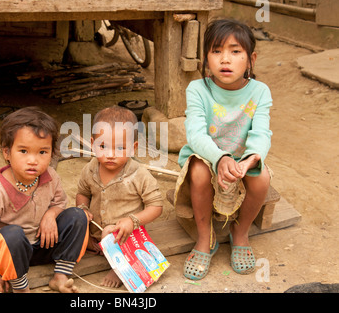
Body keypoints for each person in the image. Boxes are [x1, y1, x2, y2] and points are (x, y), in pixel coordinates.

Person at [175, 18, 273, 280]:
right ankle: (205, 238)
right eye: (216, 51)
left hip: (242, 158)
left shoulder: (260, 92)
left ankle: (240, 234)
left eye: (235, 51)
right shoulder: (198, 89)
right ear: (206, 59)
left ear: (251, 59)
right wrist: (219, 158)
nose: (225, 59)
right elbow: (195, 133)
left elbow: (262, 132)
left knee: (262, 177)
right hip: (207, 156)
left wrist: (251, 159)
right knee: (197, 171)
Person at [0, 106, 88, 293]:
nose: (33, 160)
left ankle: (61, 276)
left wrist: (50, 214)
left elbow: (59, 203)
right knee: (12, 235)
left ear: (52, 153)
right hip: (12, 255)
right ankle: (21, 287)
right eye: (23, 151)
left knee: (78, 216)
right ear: (7, 153)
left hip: (45, 245)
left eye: (42, 152)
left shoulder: (51, 176)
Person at [76, 105, 163, 288]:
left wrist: (133, 220)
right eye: (102, 146)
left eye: (120, 148)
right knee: (74, 218)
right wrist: (83, 209)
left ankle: (118, 267)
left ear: (133, 148)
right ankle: (93, 244)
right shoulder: (90, 168)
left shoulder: (139, 175)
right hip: (96, 232)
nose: (110, 154)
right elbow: (82, 193)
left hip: (125, 235)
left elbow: (156, 206)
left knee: (111, 231)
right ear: (93, 143)